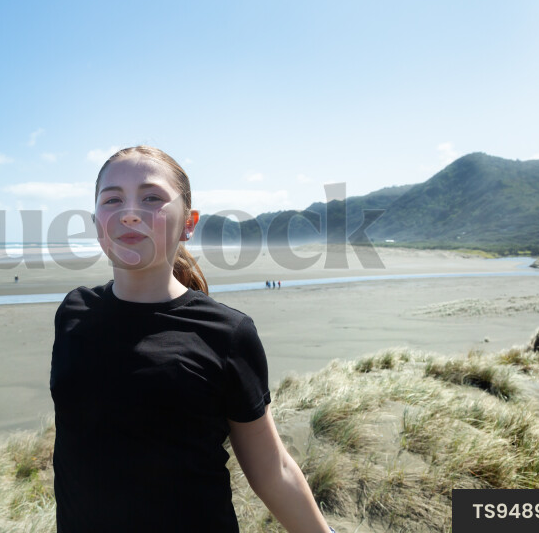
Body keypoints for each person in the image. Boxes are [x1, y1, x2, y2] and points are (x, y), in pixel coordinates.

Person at [50, 146, 334, 532]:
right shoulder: (73, 313)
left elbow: (273, 471)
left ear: (188, 222)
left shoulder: (226, 334)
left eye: (151, 198)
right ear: (97, 221)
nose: (129, 212)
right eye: (112, 199)